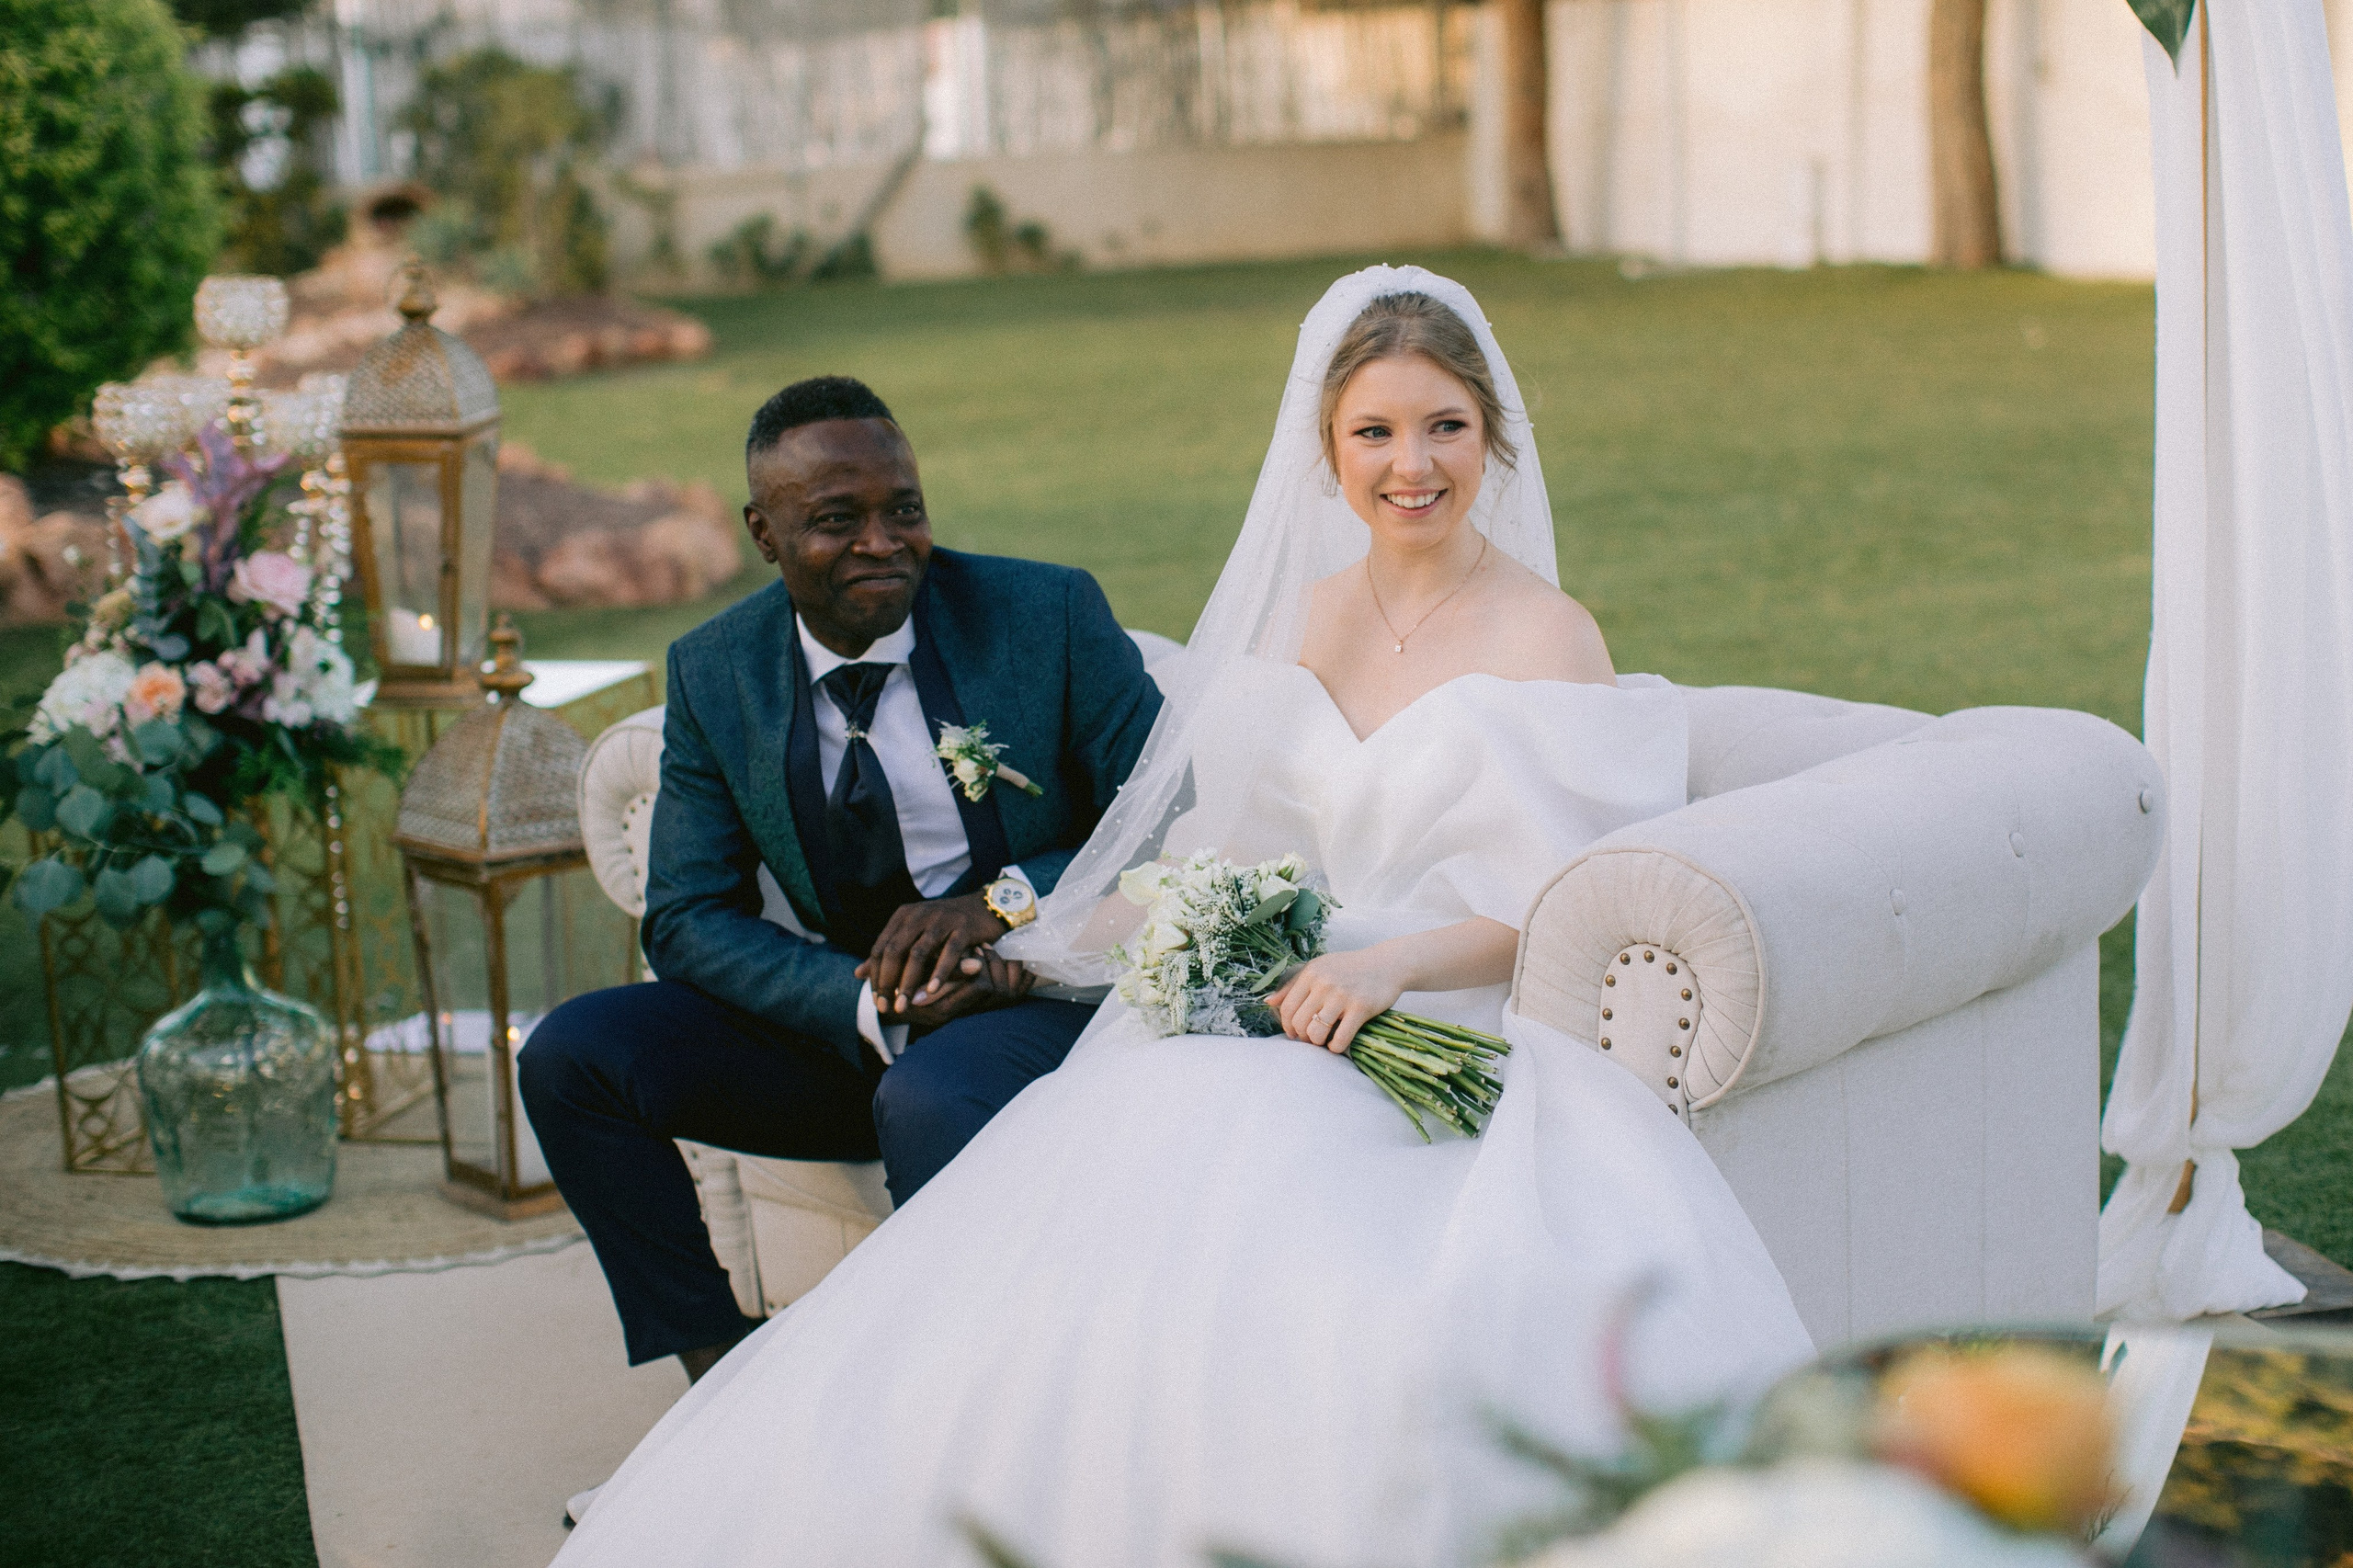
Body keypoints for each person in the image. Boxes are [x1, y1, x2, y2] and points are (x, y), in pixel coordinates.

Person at [551, 268, 1811, 1567]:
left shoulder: (1550, 635)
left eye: (1443, 426)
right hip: (1274, 999)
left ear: (1493, 436)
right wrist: (1054, 944)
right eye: (1374, 432)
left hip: (1443, 1004)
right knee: (1094, 1179)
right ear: (1328, 452)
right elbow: (1206, 847)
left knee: (1296, 1229)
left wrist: (1382, 966)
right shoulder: (1304, 617)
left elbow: (1557, 898)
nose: (1411, 464)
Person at [518, 375, 1164, 1392]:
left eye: (902, 508)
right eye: (836, 519)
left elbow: (1165, 808)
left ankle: (978, 1395)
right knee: (574, 1057)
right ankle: (721, 1386)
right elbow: (685, 914)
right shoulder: (713, 669)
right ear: (763, 534)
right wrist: (864, 1000)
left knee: (925, 1098)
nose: (883, 540)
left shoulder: (1047, 613)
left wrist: (997, 908)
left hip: (1029, 996)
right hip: (843, 1019)